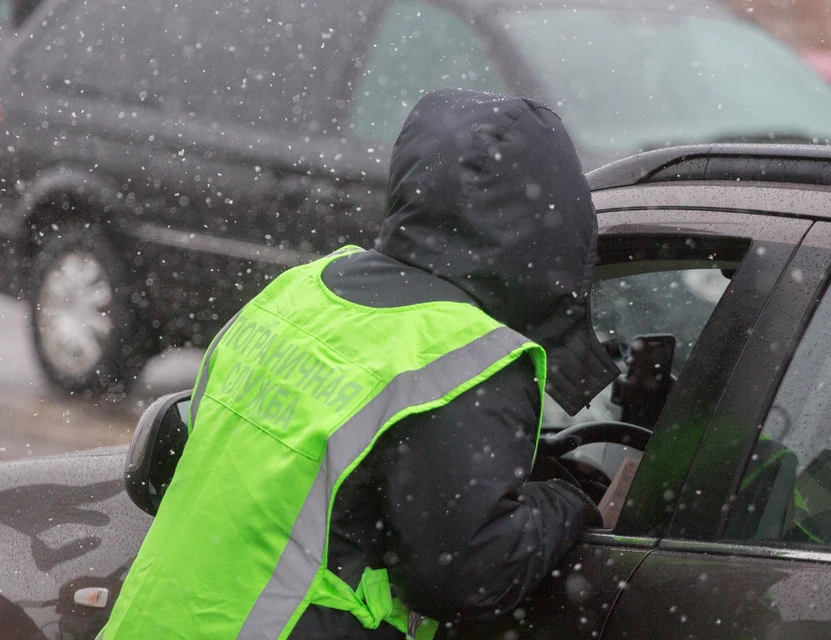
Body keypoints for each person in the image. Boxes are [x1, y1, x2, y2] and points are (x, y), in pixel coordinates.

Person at [97, 89, 619, 640]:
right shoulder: (472, 358)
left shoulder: (298, 291)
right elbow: (463, 574)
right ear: (552, 230)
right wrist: (566, 501)